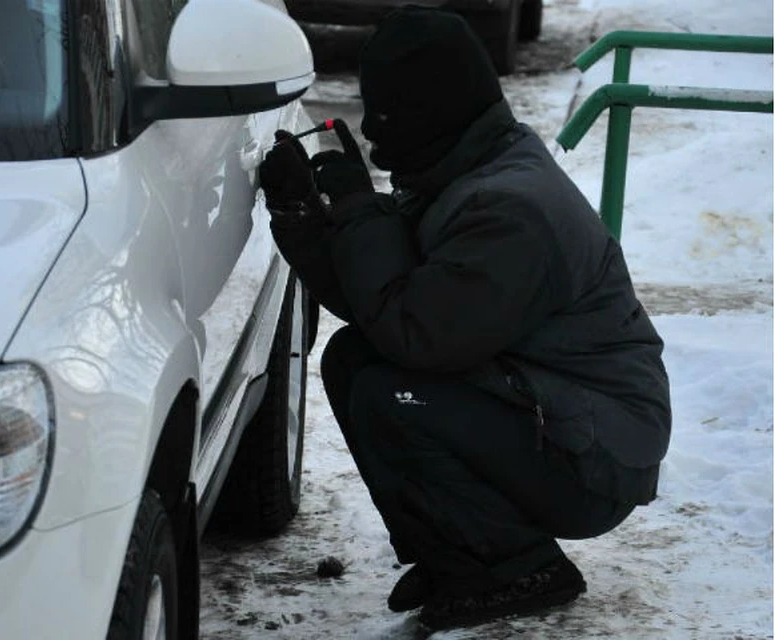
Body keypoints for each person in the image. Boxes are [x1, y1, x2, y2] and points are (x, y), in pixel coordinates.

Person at [257, 6, 672, 631]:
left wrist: (358, 209)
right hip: (551, 410)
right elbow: (382, 305)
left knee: (392, 390)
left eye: (387, 117)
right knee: (355, 360)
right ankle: (462, 552)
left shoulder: (508, 211)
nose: (374, 138)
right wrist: (303, 216)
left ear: (427, 114)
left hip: (597, 456)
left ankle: (515, 567)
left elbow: (416, 335)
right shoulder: (468, 168)